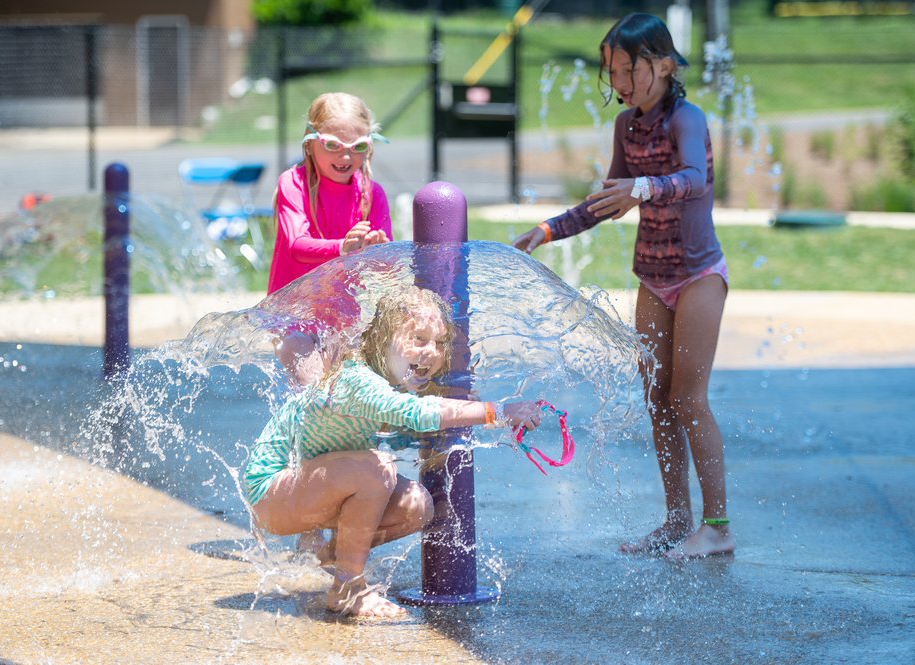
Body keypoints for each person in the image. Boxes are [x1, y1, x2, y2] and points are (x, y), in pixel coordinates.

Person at [512, 13, 734, 560]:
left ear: (663, 64)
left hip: (699, 275)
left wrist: (644, 186)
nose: (617, 83)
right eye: (610, 72)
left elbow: (694, 181)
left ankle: (719, 526)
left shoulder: (687, 118)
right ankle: (677, 520)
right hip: (652, 280)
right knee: (657, 401)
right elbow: (607, 200)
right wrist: (546, 231)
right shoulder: (626, 127)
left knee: (688, 398)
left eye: (626, 69)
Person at [243, 286, 542, 617]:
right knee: (379, 468)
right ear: (384, 338)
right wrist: (498, 412)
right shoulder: (356, 380)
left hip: (312, 487)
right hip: (271, 490)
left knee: (417, 505)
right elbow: (417, 413)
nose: (431, 351)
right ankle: (349, 588)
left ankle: (331, 556)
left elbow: (402, 420)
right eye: (418, 338)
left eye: (440, 343)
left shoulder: (383, 381)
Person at [267, 92, 394, 384]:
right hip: (291, 319)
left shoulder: (372, 194)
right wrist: (343, 247)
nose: (346, 156)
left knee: (355, 398)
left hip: (344, 322)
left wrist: (379, 254)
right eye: (333, 146)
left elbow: (386, 271)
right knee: (318, 394)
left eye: (357, 146)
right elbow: (297, 246)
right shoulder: (293, 183)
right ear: (311, 144)